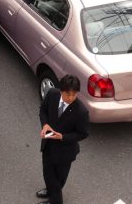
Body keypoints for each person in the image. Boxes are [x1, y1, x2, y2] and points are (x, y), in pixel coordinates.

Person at [36, 74, 89, 204]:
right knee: (48, 173)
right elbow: (42, 110)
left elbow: (83, 133)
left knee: (59, 178)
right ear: (61, 90)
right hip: (48, 144)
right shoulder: (52, 94)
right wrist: (45, 124)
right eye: (67, 94)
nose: (70, 98)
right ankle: (50, 190)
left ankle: (55, 201)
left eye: (74, 95)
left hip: (65, 152)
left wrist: (63, 137)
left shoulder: (81, 111)